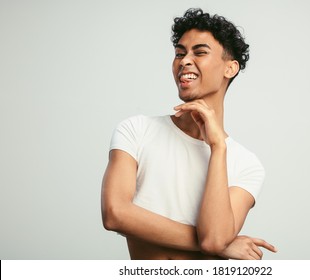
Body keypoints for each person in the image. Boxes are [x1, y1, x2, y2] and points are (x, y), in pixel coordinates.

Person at [101, 8, 277, 260]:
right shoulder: (136, 130)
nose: (184, 61)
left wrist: (218, 148)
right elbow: (115, 214)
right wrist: (221, 245)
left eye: (200, 52)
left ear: (230, 68)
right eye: (179, 53)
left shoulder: (246, 164)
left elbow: (214, 238)